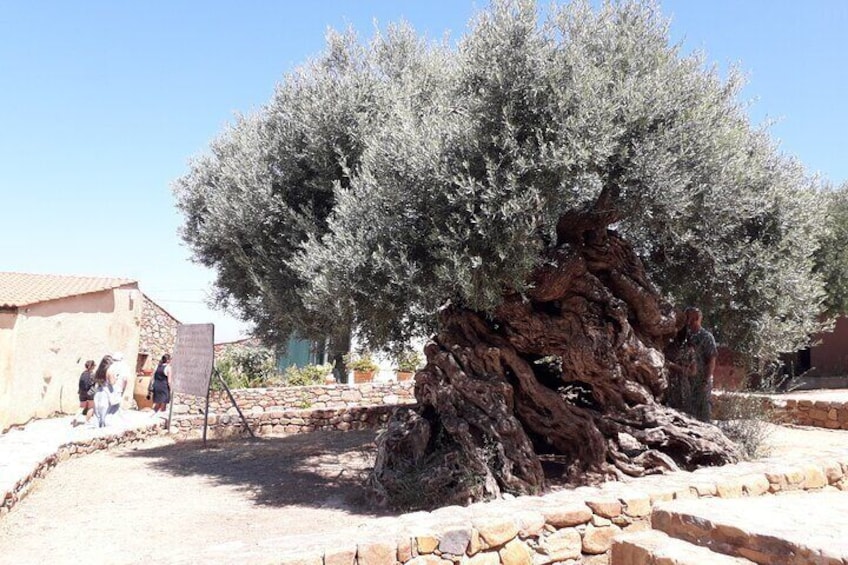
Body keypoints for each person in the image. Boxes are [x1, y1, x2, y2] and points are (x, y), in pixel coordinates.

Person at [681, 306, 717, 421]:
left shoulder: (706, 337)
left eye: (688, 316)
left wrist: (706, 380)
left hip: (702, 379)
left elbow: (712, 359)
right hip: (689, 379)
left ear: (696, 318)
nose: (686, 319)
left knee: (703, 409)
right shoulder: (686, 335)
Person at [106, 351, 129, 418]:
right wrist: (124, 388)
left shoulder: (110, 366)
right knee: (116, 403)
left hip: (109, 387)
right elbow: (125, 379)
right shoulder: (124, 366)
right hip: (119, 388)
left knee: (109, 403)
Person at [92, 355, 113, 428]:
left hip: (98, 392)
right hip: (105, 392)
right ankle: (103, 426)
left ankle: (98, 426)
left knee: (97, 412)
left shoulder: (98, 371)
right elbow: (112, 382)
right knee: (105, 411)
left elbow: (95, 381)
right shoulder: (109, 371)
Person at [73, 360, 96, 426]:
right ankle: (87, 421)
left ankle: (75, 418)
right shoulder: (92, 374)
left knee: (81, 407)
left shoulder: (83, 374)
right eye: (94, 365)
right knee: (91, 407)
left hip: (82, 393)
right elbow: (95, 384)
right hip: (90, 392)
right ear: (92, 366)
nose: (95, 366)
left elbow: (80, 384)